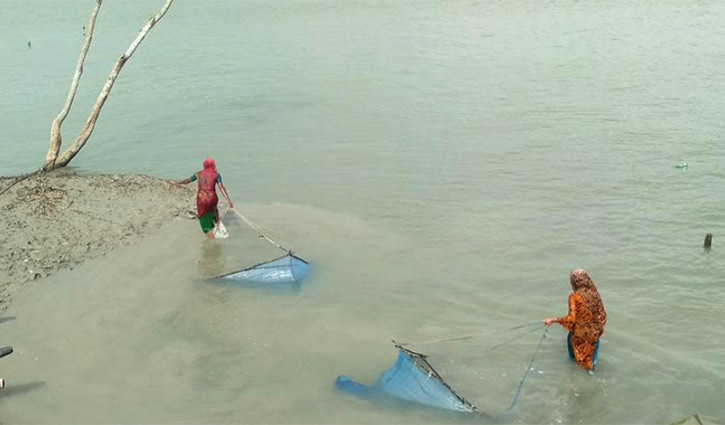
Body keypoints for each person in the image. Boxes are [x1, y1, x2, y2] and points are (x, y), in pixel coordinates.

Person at [543, 269, 606, 371]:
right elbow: (601, 314)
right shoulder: (594, 293)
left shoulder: (574, 297)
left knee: (573, 363)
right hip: (593, 335)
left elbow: (571, 319)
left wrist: (553, 320)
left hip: (578, 336)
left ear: (573, 282)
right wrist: (600, 329)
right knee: (591, 365)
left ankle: (573, 382)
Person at [176, 158, 233, 239]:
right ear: (213, 165)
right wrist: (229, 201)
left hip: (202, 198)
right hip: (213, 198)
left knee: (204, 219)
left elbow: (188, 180)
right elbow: (221, 187)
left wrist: (179, 182)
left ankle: (212, 241)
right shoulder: (217, 174)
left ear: (204, 165)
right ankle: (217, 223)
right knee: (214, 208)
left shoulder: (198, 174)